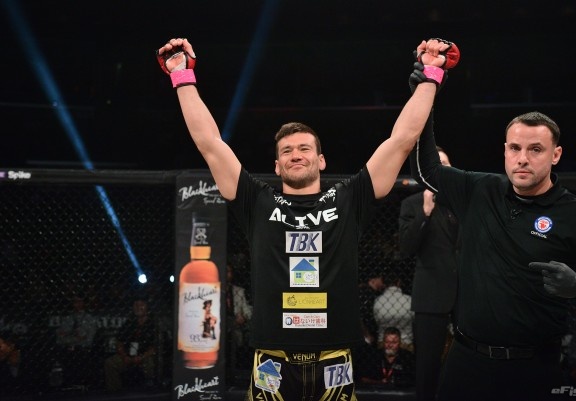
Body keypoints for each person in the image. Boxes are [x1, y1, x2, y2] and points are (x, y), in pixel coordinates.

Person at [156, 36, 458, 400]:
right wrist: (182, 76)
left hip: (334, 359)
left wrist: (430, 74)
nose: (295, 154)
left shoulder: (349, 198)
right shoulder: (257, 201)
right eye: (286, 151)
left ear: (321, 160)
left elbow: (402, 140)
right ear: (277, 165)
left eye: (304, 148)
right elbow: (210, 143)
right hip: (272, 359)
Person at [409, 51, 576, 400]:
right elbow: (426, 170)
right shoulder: (480, 189)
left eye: (536, 149)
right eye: (515, 148)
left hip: (535, 368)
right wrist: (426, 91)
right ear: (504, 150)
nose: (522, 158)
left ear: (556, 154)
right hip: (465, 361)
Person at [398, 146, 459, 401]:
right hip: (431, 294)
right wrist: (424, 212)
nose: (441, 168)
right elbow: (405, 248)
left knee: (468, 360)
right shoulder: (411, 204)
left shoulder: (465, 201)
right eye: (436, 163)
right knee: (427, 364)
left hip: (467, 292)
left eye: (444, 163)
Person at [104, 297, 158, 392]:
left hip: (145, 356)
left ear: (147, 307)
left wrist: (141, 357)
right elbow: (119, 342)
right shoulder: (129, 323)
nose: (138, 307)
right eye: (136, 305)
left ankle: (150, 389)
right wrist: (124, 356)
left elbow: (155, 347)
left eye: (141, 305)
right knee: (110, 363)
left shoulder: (153, 324)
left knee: (150, 362)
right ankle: (114, 391)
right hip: (128, 355)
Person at [54, 295, 98, 386]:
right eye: (75, 302)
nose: (77, 304)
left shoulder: (90, 319)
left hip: (83, 351)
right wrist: (77, 338)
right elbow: (59, 339)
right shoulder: (67, 319)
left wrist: (69, 337)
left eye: (80, 301)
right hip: (67, 351)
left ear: (84, 303)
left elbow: (89, 340)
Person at [373, 269, 414, 351]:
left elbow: (377, 321)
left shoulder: (378, 301)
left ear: (384, 284)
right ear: (399, 282)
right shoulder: (409, 300)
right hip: (405, 342)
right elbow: (414, 320)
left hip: (384, 342)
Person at [226, 263, 253, 371]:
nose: (225, 274)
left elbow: (248, 311)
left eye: (228, 271)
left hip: (235, 326)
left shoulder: (239, 291)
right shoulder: (212, 290)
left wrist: (243, 316)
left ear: (232, 274)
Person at [358, 270, 385, 346]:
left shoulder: (368, 292)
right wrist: (367, 334)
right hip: (366, 334)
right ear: (374, 280)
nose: (383, 284)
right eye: (381, 280)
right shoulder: (367, 292)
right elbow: (360, 316)